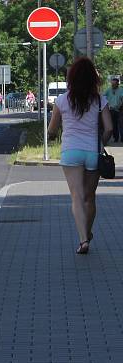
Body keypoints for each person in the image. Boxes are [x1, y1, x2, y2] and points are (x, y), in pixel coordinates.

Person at [47, 56, 113, 254]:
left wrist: (51, 137)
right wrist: (102, 142)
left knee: (76, 197)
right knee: (89, 198)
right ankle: (88, 232)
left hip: (71, 152)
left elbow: (52, 129)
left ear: (71, 78)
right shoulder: (100, 100)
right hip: (93, 151)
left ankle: (83, 239)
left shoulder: (61, 100)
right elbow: (109, 128)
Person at [103, 77, 123, 142]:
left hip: (120, 109)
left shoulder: (121, 90)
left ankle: (122, 138)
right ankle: (116, 137)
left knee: (121, 124)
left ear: (118, 84)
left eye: (114, 84)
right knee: (114, 125)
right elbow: (103, 96)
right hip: (111, 109)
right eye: (112, 84)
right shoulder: (109, 90)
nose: (113, 85)